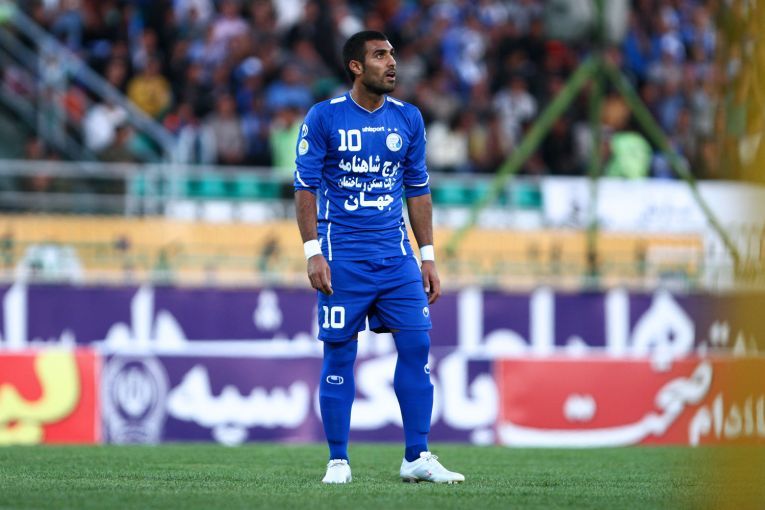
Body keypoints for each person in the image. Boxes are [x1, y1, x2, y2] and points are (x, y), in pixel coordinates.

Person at [294, 30, 465, 485]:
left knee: (417, 347)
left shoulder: (408, 118)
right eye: (379, 55)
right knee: (339, 355)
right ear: (356, 66)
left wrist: (428, 256)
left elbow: (418, 189)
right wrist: (313, 252)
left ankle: (417, 456)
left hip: (396, 258)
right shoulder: (324, 117)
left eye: (392, 54)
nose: (392, 63)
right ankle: (338, 461)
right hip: (342, 258)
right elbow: (305, 186)